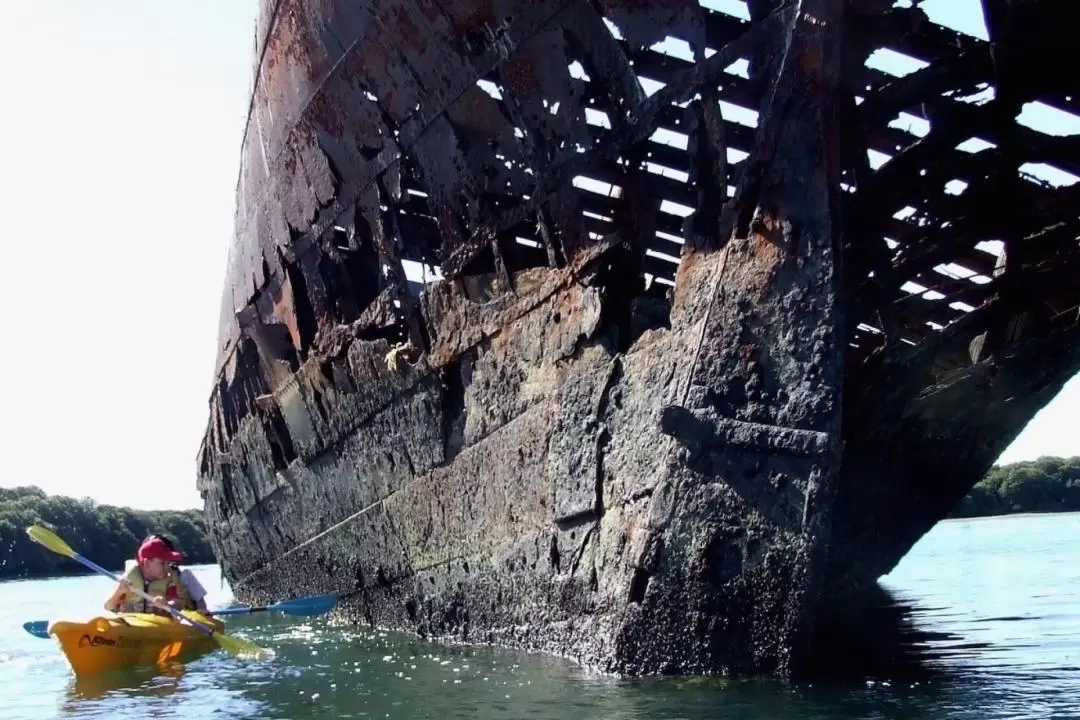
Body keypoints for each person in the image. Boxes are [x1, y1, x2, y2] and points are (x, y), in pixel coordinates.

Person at [104, 534, 209, 616]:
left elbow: (178, 604)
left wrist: (166, 605)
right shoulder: (129, 577)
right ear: (146, 563)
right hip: (135, 624)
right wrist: (118, 592)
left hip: (162, 627)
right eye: (162, 563)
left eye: (167, 562)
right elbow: (108, 607)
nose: (166, 567)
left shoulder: (170, 578)